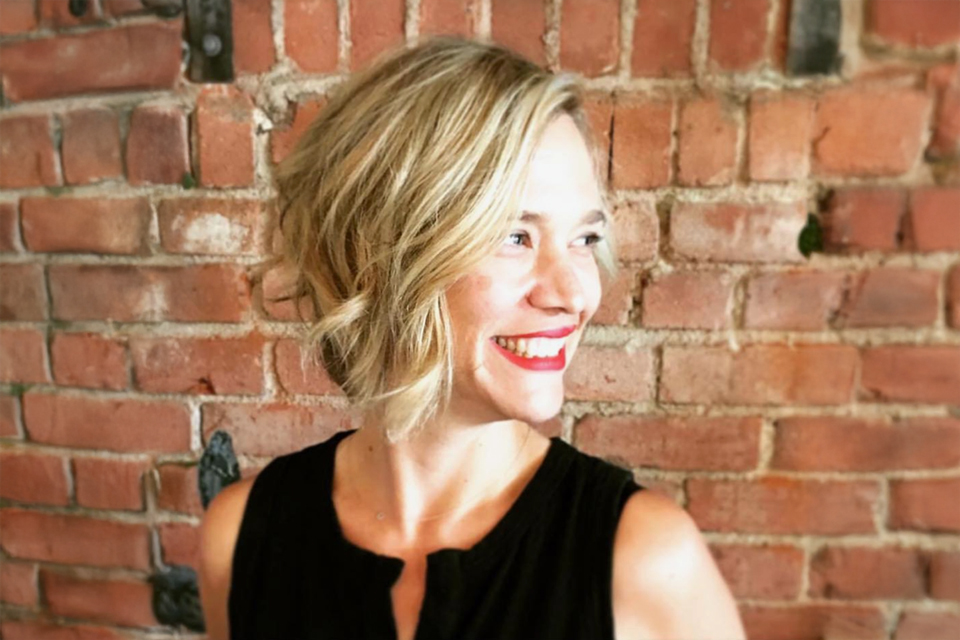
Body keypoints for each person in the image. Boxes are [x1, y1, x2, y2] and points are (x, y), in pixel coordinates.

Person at [198, 37, 745, 640]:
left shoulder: (644, 562)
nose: (572, 293)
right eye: (515, 236)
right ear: (380, 255)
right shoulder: (243, 535)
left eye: (584, 240)